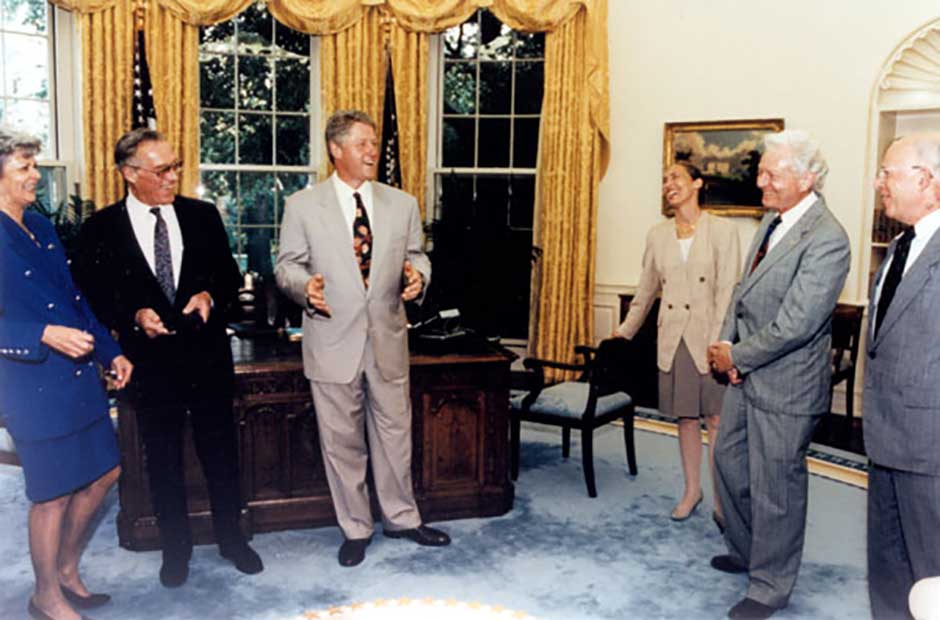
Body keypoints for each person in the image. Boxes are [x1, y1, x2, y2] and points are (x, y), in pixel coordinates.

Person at [73, 128, 262, 588]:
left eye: (176, 166)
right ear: (128, 174)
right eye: (161, 170)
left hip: (207, 357)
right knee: (162, 459)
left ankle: (232, 540)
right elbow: (92, 295)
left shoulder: (202, 216)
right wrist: (134, 314)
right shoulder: (101, 228)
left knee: (221, 453)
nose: (173, 177)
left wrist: (208, 296)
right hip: (150, 364)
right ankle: (175, 549)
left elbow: (229, 276)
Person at [275, 109, 450, 567]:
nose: (373, 151)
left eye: (374, 143)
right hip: (332, 340)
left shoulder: (402, 203)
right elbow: (287, 265)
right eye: (362, 144)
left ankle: (403, 518)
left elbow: (416, 257)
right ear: (336, 150)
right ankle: (355, 527)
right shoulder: (302, 206)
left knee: (396, 437)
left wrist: (418, 277)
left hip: (389, 341)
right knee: (342, 442)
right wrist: (303, 287)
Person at [707, 130, 850, 619]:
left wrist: (738, 357)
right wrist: (728, 347)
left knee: (777, 490)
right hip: (746, 376)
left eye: (772, 173)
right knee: (729, 464)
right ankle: (748, 551)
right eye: (762, 171)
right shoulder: (771, 222)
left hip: (787, 386)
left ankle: (770, 587)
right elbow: (742, 294)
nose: (761, 181)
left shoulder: (828, 239)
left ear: (807, 179)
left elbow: (797, 324)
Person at [0, 128, 134, 620]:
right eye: (24, 167)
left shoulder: (41, 226)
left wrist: (109, 349)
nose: (36, 175)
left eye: (34, 164)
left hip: (76, 373)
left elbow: (74, 301)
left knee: (105, 472)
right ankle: (45, 595)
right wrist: (41, 334)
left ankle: (66, 568)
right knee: (52, 493)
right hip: (29, 381)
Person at [614, 162, 740, 523]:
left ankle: (721, 500)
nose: (669, 184)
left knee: (715, 419)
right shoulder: (657, 235)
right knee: (685, 419)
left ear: (697, 184)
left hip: (711, 337)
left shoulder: (722, 230)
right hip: (674, 338)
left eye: (677, 178)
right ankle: (691, 491)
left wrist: (719, 343)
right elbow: (646, 289)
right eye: (665, 179)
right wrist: (625, 330)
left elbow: (727, 290)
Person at [864, 132, 940, 618]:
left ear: (928, 180)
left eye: (888, 173)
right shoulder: (898, 247)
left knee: (930, 575)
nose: (878, 183)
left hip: (929, 447)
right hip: (883, 436)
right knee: (888, 569)